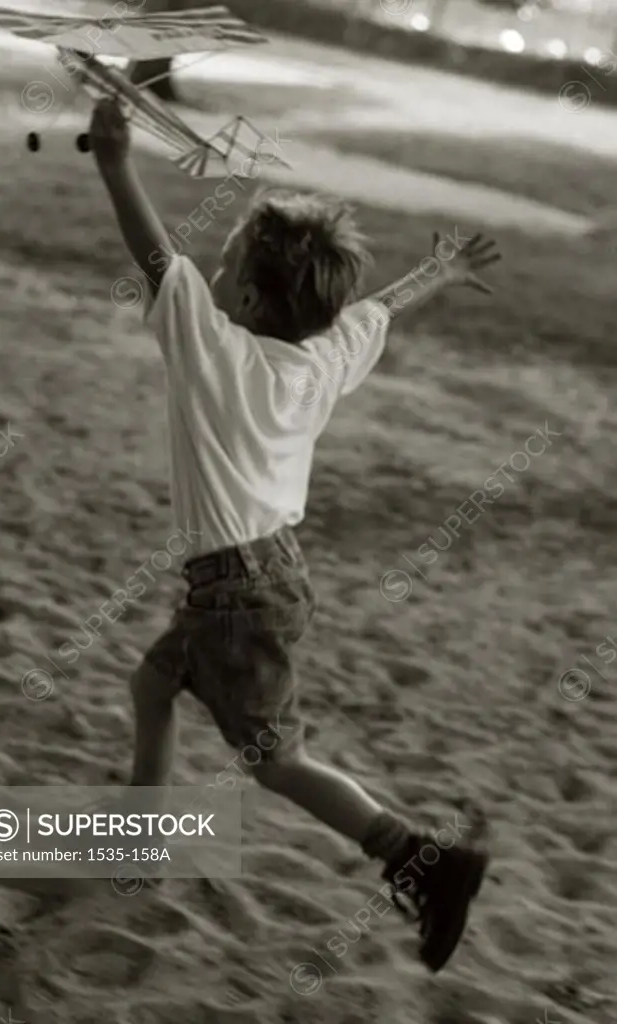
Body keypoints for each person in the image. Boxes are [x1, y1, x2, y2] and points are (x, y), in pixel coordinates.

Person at [90, 98, 501, 973]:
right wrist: (440, 270)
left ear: (239, 293)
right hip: (269, 578)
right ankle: (137, 843)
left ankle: (420, 858)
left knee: (277, 762)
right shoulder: (318, 359)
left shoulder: (213, 352)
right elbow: (379, 312)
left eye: (227, 258)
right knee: (154, 682)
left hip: (237, 594)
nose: (215, 264)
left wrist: (114, 160)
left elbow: (155, 256)